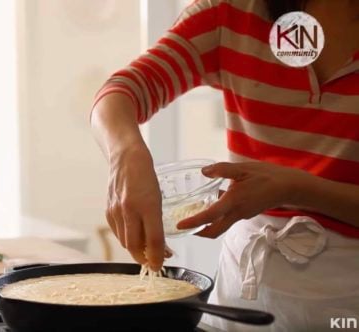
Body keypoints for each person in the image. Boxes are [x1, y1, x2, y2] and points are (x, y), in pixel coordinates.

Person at [90, 0, 359, 330]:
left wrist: (295, 187)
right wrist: (126, 156)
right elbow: (121, 92)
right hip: (242, 296)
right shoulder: (231, 12)